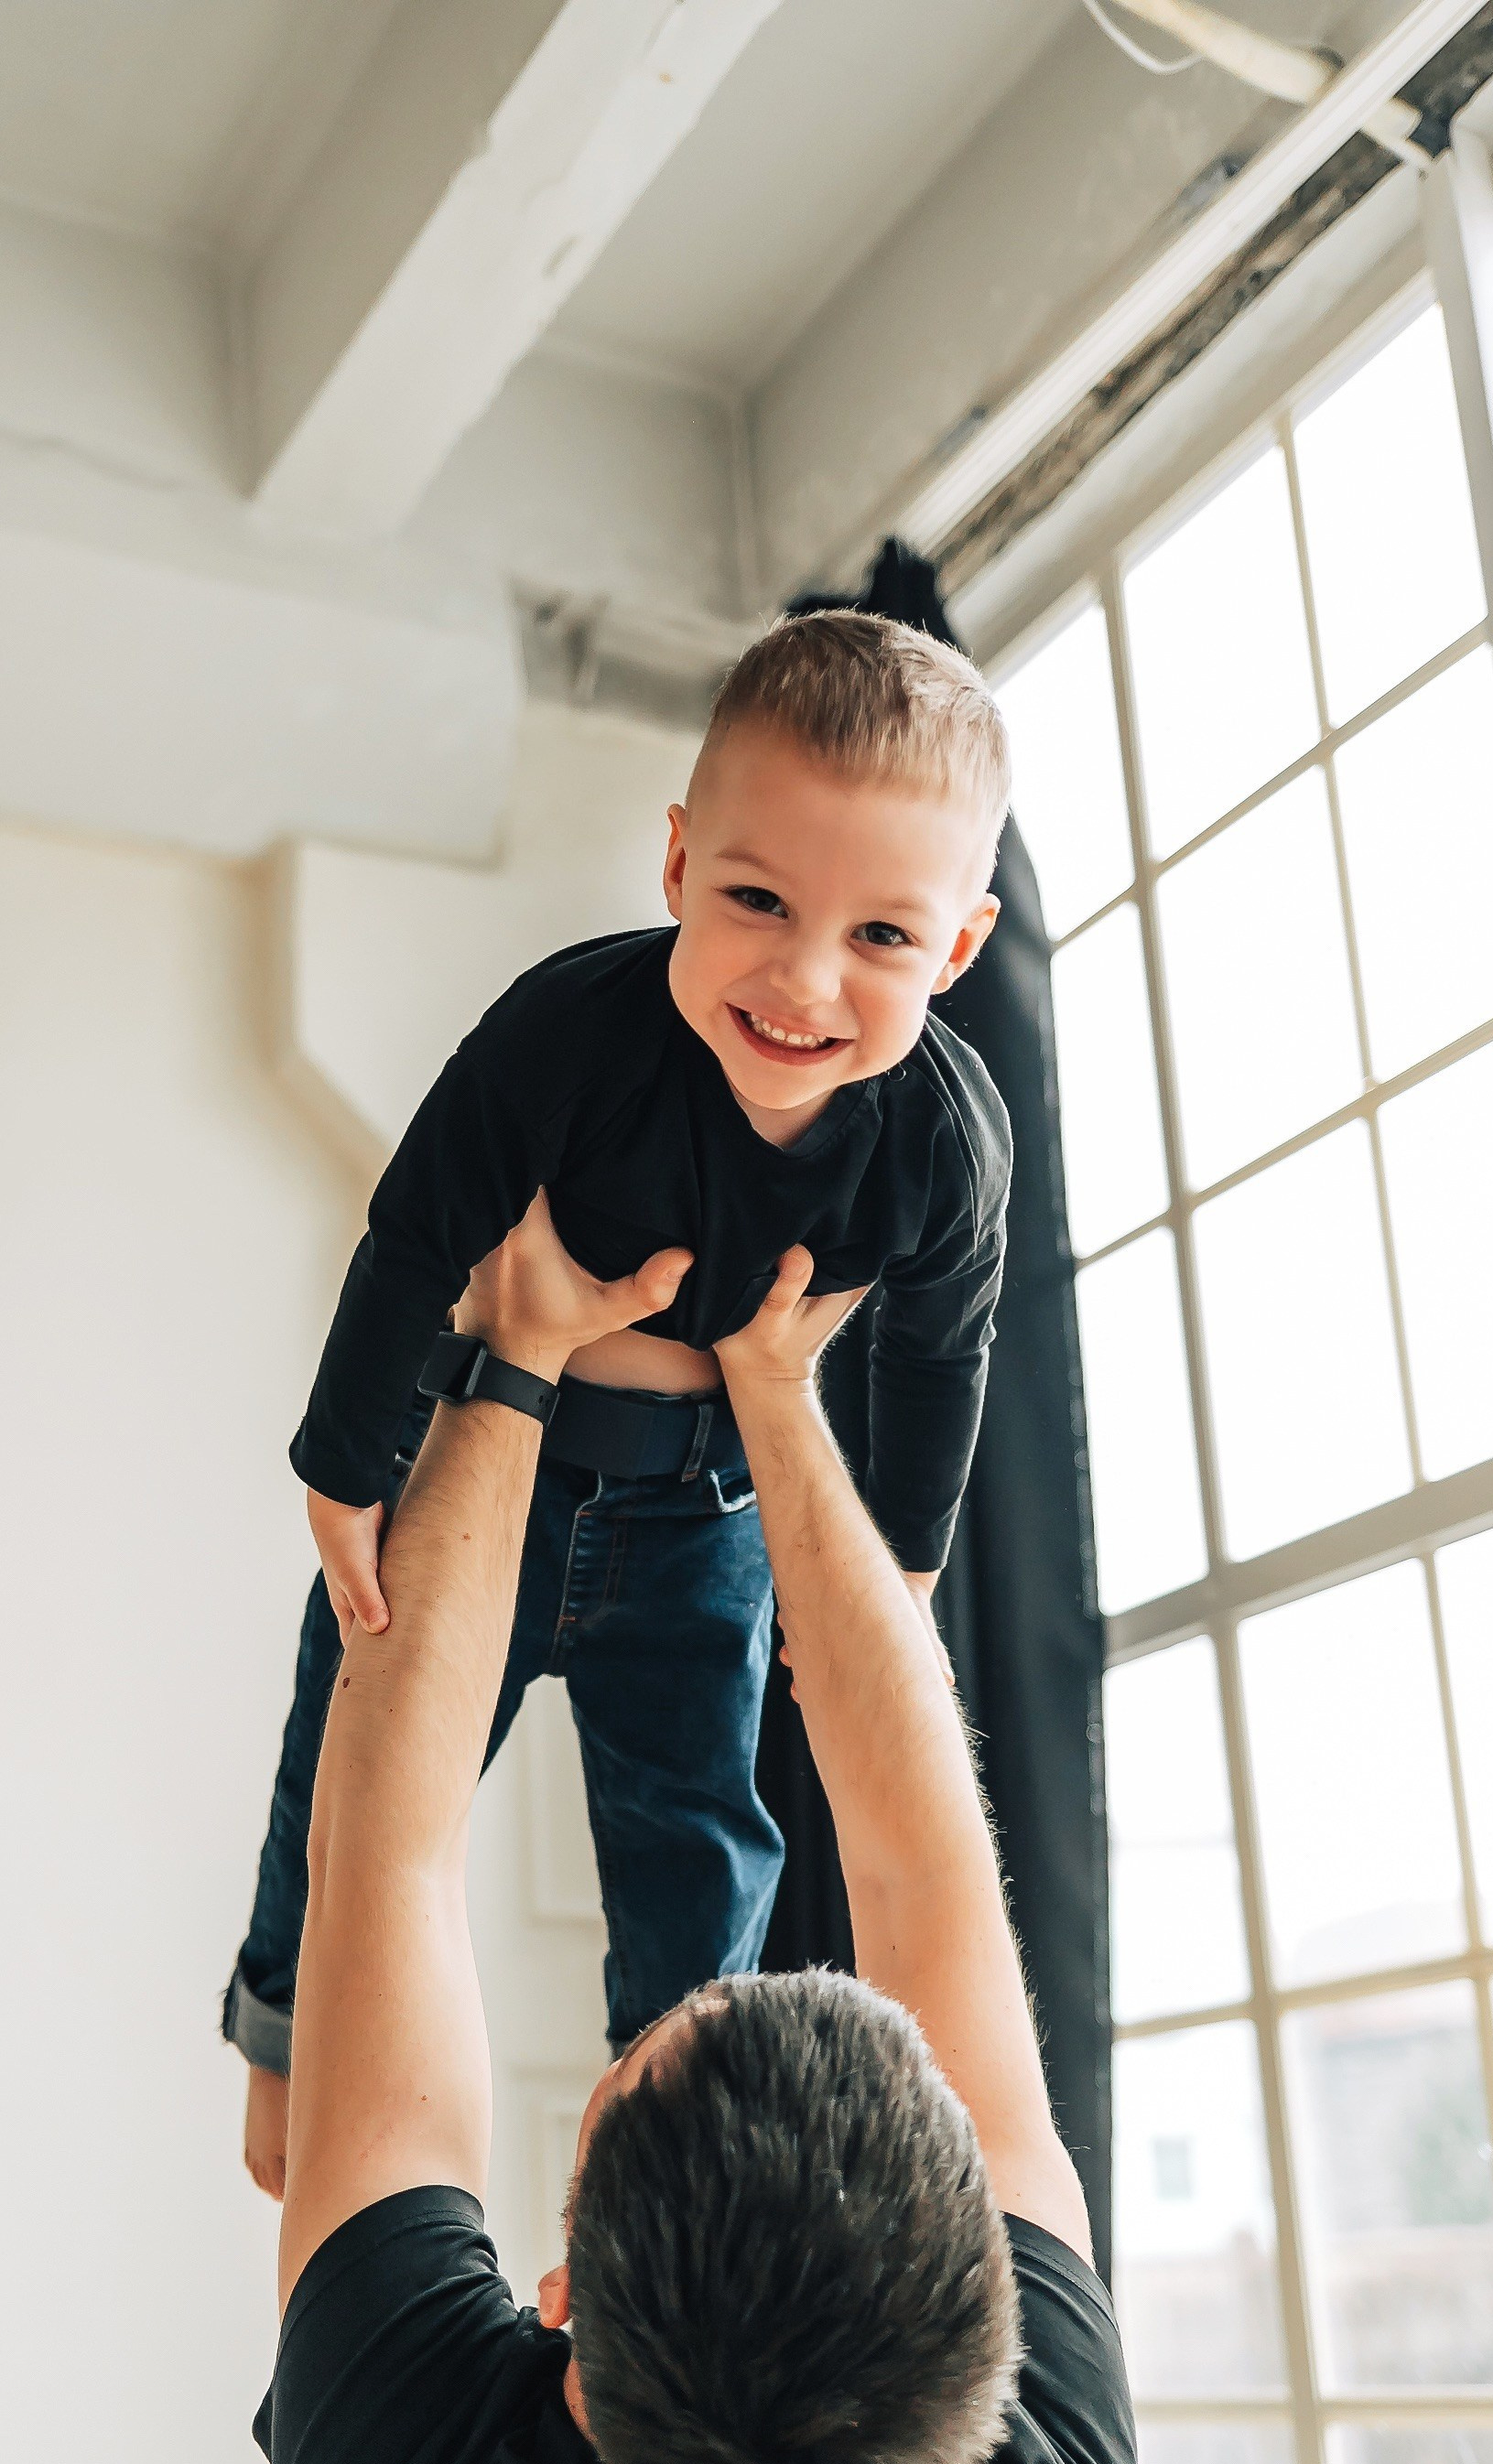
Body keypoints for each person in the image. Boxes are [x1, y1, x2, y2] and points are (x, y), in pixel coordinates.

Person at [258, 1187, 1136, 2464]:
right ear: (981, 2314)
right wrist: (774, 1397)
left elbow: (388, 1854)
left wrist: (507, 1370)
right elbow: (915, 1862)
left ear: (560, 2314)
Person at [229, 609, 1015, 2195]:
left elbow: (943, 1350)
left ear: (959, 948)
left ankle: (662, 2159)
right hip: (498, 1468)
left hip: (707, 1512)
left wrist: (910, 1569)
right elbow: (418, 1227)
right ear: (675, 867)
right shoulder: (573, 1031)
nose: (801, 980)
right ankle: (283, 2051)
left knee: (701, 1831)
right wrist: (344, 1464)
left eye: (879, 938)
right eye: (756, 901)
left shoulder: (941, 1141)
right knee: (360, 1760)